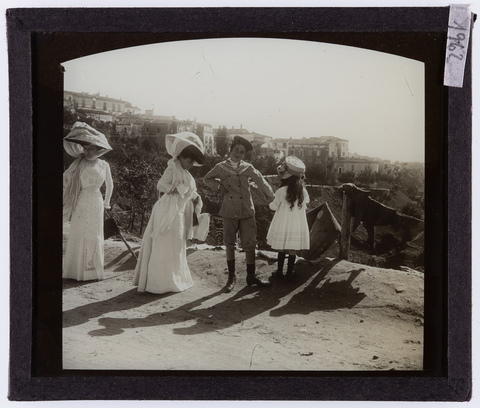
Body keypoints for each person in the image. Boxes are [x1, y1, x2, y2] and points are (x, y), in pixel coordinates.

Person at [133, 131, 205, 294]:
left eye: (193, 162)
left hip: (178, 210)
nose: (190, 164)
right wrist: (176, 189)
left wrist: (195, 197)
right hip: (166, 208)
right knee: (164, 242)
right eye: (188, 160)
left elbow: (190, 192)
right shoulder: (172, 167)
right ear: (180, 157)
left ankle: (173, 278)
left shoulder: (187, 174)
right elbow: (161, 185)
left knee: (175, 242)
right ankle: (158, 282)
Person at [204, 135, 275, 292]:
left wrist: (271, 197)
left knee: (249, 244)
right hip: (229, 210)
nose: (238, 154)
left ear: (244, 155)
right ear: (231, 150)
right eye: (236, 150)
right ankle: (231, 278)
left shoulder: (247, 167)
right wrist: (219, 186)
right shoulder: (221, 167)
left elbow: (260, 181)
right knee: (229, 243)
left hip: (246, 210)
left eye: (242, 152)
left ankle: (251, 277)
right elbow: (207, 178)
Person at [63, 122, 114, 281]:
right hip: (82, 200)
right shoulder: (79, 163)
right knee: (80, 231)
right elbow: (66, 177)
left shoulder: (104, 165)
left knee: (94, 233)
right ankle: (75, 271)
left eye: (90, 148)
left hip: (96, 201)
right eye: (85, 148)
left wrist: (107, 202)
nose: (87, 151)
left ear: (98, 149)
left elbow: (110, 184)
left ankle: (91, 271)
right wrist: (70, 189)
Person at [266, 156, 310, 282]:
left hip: (282, 223)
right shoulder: (303, 191)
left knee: (281, 248)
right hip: (296, 225)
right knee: (292, 249)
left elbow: (273, 207)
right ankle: (289, 274)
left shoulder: (281, 191)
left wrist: (270, 202)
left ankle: (279, 272)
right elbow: (306, 202)